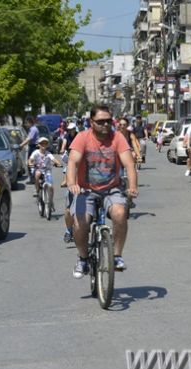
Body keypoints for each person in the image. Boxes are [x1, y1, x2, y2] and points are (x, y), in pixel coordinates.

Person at [66, 105, 138, 278]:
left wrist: (133, 186)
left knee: (120, 214)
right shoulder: (82, 138)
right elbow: (73, 162)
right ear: (91, 122)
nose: (105, 125)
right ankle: (83, 259)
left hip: (112, 189)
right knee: (80, 222)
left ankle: (117, 256)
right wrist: (71, 183)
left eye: (108, 121)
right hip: (86, 190)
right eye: (100, 121)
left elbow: (129, 164)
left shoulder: (118, 137)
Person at [59, 123, 79, 242]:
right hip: (73, 189)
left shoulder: (86, 162)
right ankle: (68, 230)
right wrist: (66, 182)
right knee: (67, 210)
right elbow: (66, 177)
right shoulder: (70, 164)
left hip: (85, 190)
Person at [20, 117, 40, 183]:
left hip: (34, 147)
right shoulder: (32, 129)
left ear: (30, 122)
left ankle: (33, 179)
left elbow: (29, 138)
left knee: (30, 163)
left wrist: (21, 145)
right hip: (33, 146)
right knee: (33, 163)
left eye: (26, 123)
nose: (26, 124)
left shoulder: (33, 129)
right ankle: (34, 178)